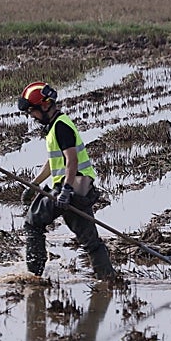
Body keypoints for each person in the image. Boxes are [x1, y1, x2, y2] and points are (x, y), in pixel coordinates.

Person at [17, 81, 115, 280]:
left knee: (32, 223)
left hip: (71, 188)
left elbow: (72, 160)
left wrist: (66, 190)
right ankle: (108, 279)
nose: (33, 117)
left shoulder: (61, 127)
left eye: (32, 112)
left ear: (45, 106)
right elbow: (55, 163)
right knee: (90, 241)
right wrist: (34, 184)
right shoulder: (57, 125)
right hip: (79, 188)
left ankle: (34, 276)